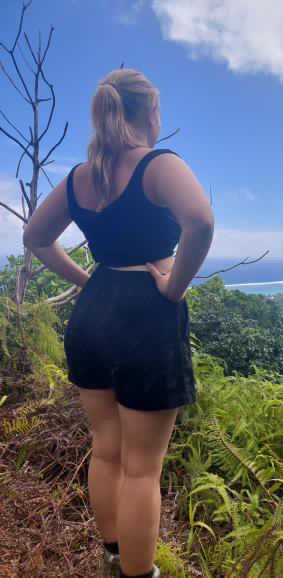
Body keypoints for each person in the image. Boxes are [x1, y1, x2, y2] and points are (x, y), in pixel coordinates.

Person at [22, 68, 214, 578]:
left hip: (93, 314)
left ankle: (111, 557)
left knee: (106, 449)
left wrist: (88, 281)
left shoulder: (82, 176)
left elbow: (36, 238)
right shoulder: (159, 165)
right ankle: (137, 573)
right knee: (142, 469)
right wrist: (174, 288)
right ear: (151, 111)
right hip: (146, 318)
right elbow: (200, 221)